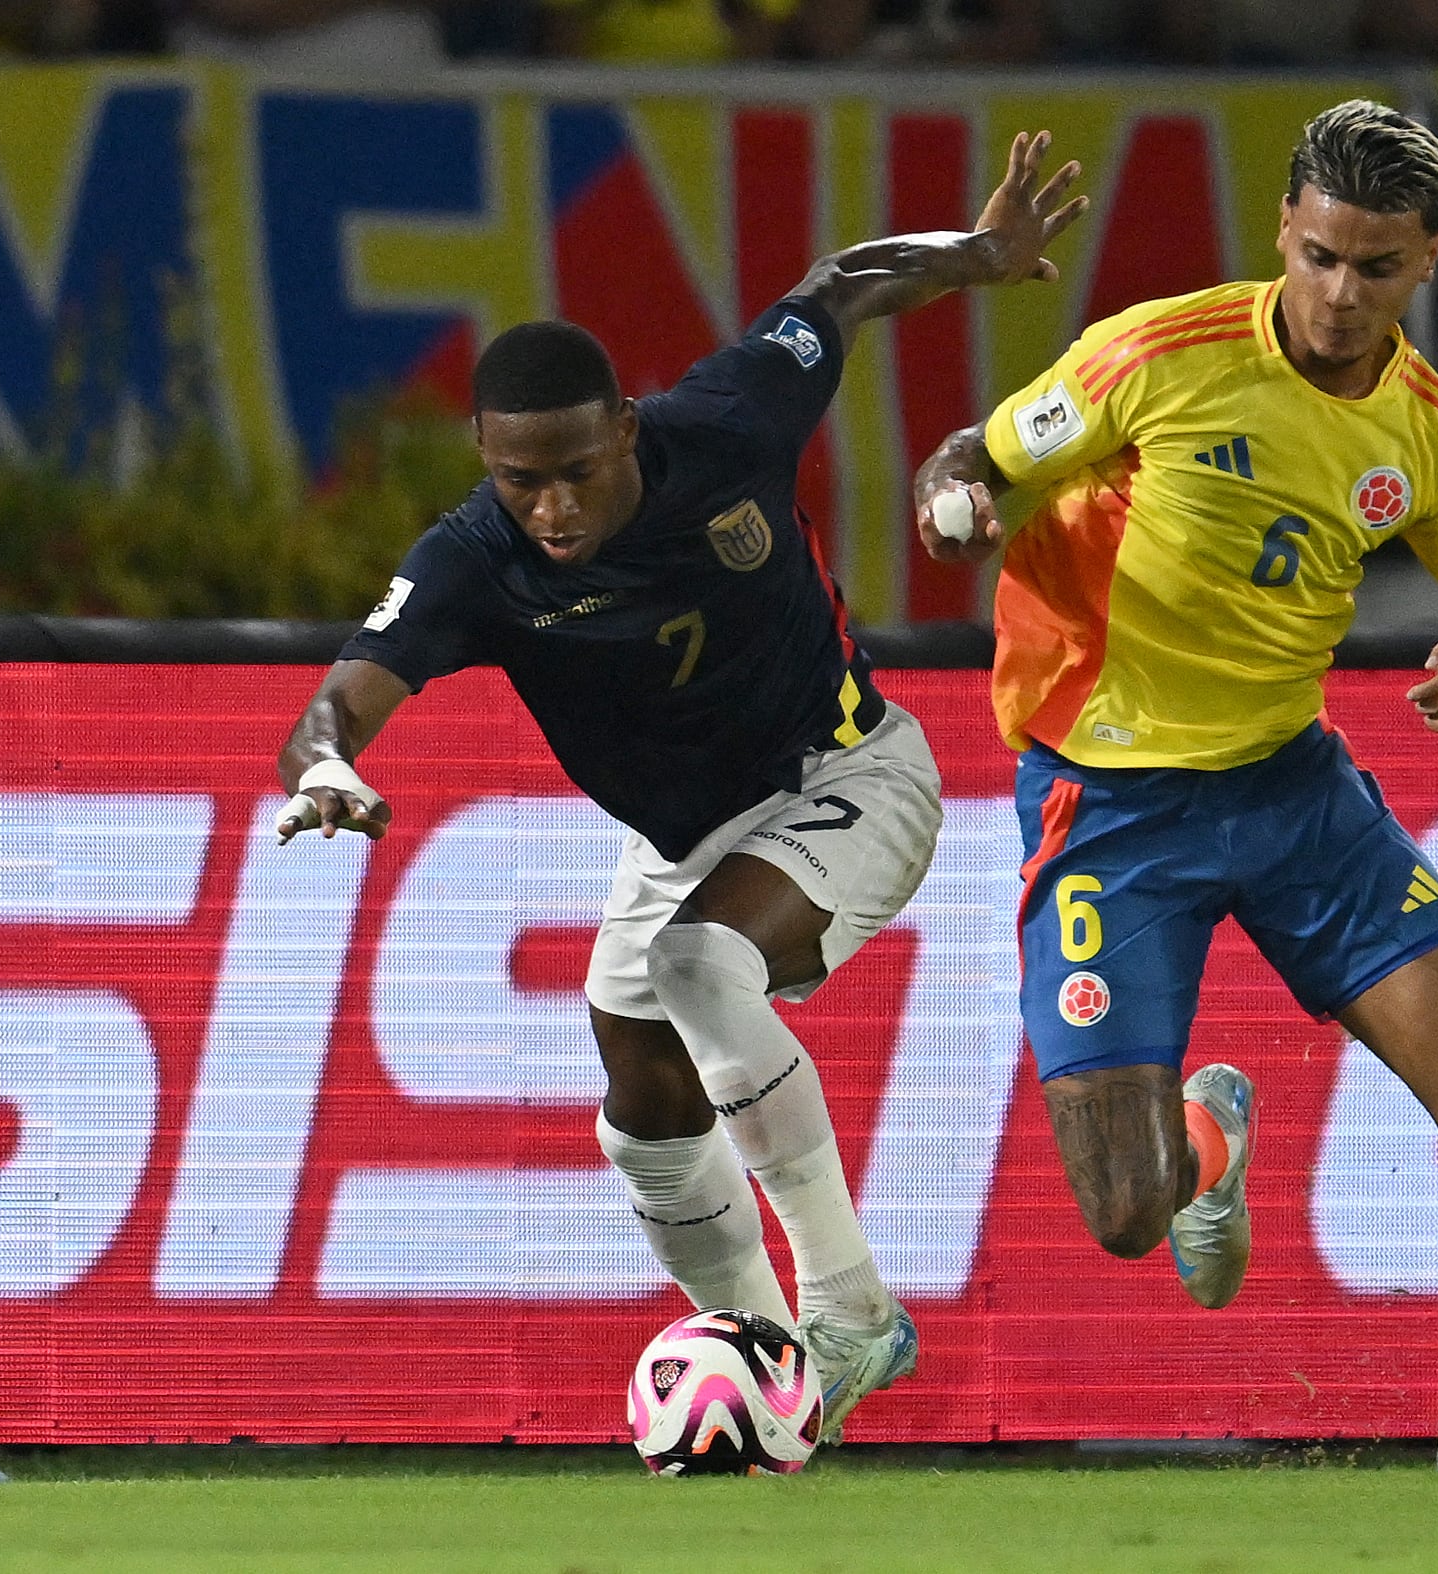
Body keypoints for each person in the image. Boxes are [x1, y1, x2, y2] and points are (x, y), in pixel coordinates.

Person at [275, 129, 1086, 1441]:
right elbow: (351, 686)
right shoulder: (475, 559)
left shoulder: (727, 423)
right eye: (516, 477)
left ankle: (852, 1311)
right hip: (686, 838)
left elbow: (838, 285)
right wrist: (321, 763)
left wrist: (979, 255)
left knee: (703, 970)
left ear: (627, 431)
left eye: (574, 471)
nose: (547, 505)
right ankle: (771, 1372)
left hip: (852, 772)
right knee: (641, 1099)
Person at [912, 100, 1438, 1474]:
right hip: (1106, 806)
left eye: (1374, 267)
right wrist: (954, 509)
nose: (1340, 295)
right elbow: (977, 457)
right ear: (1284, 228)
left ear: (1424, 263)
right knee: (1125, 1211)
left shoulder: (1435, 442)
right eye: (1321, 255)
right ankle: (1206, 1142)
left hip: (1292, 789)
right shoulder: (1155, 354)